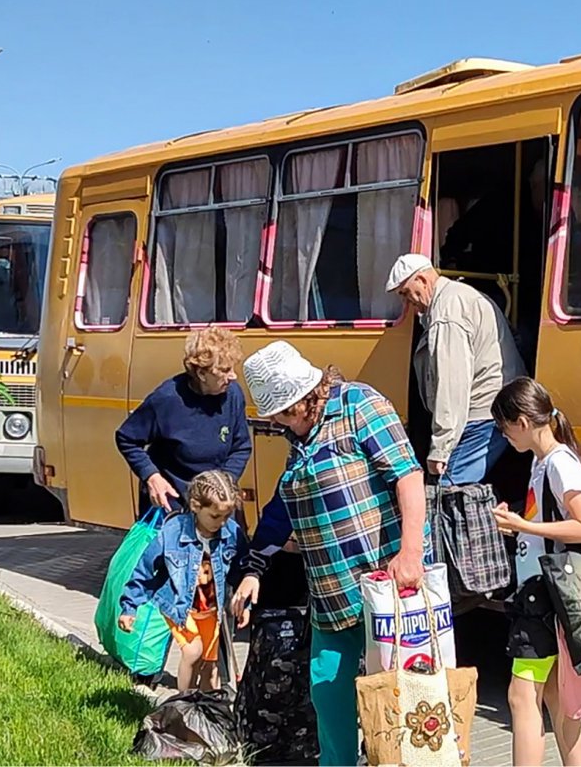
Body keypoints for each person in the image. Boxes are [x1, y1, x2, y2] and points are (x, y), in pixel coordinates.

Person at [231, 340, 427, 767]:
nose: (283, 423)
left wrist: (411, 552)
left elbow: (409, 477)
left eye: (285, 413)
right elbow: (284, 513)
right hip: (331, 596)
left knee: (399, 701)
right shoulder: (299, 438)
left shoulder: (359, 405)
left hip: (388, 589)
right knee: (328, 694)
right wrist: (255, 568)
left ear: (305, 397)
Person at [489, 377, 581, 767]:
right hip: (546, 596)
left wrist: (524, 526)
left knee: (522, 699)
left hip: (543, 599)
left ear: (522, 422)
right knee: (558, 697)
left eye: (504, 429)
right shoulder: (545, 462)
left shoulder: (558, 463)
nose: (505, 438)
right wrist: (520, 523)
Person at [386, 253, 526, 486]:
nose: (407, 302)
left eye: (405, 292)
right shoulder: (460, 296)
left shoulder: (447, 313)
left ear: (422, 279)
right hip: (494, 409)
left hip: (481, 415)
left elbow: (452, 385)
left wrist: (440, 448)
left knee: (448, 494)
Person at [119, 470, 246, 692]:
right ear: (196, 506)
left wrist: (244, 603)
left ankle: (207, 713)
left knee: (211, 667)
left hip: (212, 610)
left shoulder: (232, 533)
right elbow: (145, 569)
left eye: (227, 516)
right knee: (193, 651)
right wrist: (130, 607)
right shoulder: (173, 531)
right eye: (215, 516)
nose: (221, 523)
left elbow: (240, 571)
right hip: (179, 606)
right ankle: (184, 703)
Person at [115, 328, 252, 515]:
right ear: (202, 374)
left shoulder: (233, 394)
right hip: (173, 503)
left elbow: (241, 446)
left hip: (218, 503)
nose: (233, 376)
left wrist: (223, 484)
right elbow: (127, 438)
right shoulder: (166, 399)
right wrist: (152, 476)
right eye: (224, 370)